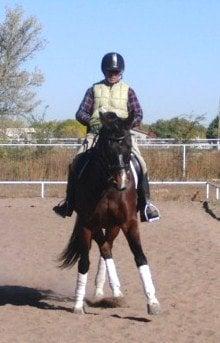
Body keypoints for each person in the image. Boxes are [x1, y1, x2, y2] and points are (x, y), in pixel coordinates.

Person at [53, 52, 160, 222]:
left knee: (141, 163)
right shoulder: (93, 89)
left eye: (116, 72)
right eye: (110, 72)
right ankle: (69, 202)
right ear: (104, 72)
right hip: (97, 134)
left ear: (121, 72)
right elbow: (80, 113)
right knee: (75, 162)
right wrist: (93, 122)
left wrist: (125, 124)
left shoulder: (128, 91)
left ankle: (146, 204)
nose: (113, 75)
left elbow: (138, 113)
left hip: (121, 135)